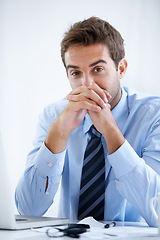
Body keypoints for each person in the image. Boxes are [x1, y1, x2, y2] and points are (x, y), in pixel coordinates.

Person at [15, 16, 160, 226]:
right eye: (76, 73)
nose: (87, 84)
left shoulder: (153, 115)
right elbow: (28, 209)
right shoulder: (53, 117)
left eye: (98, 69)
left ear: (121, 69)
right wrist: (58, 135)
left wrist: (111, 132)